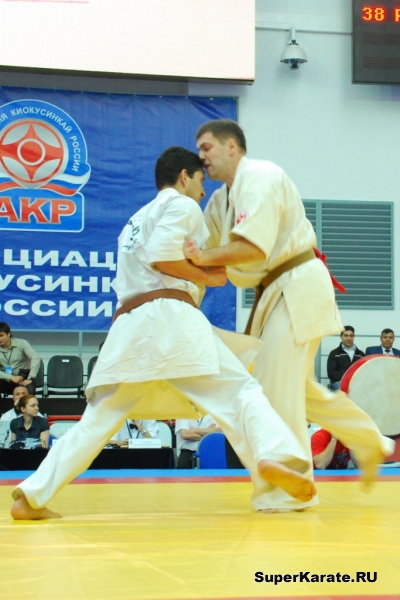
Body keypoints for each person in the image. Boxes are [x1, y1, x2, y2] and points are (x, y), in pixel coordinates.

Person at [11, 146, 316, 520]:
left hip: (130, 327)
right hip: (170, 318)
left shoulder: (134, 221)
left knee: (95, 423)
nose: (202, 191)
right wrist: (207, 276)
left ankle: (32, 496)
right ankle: (276, 457)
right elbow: (163, 256)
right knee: (240, 392)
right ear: (184, 176)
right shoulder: (183, 205)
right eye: (200, 181)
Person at [183, 118, 394, 511]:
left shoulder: (260, 176)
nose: (202, 156)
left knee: (271, 386)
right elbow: (206, 262)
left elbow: (251, 248)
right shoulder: (218, 204)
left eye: (207, 147)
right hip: (271, 295)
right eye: (198, 150)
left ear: (232, 146)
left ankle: (290, 486)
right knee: (296, 388)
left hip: (296, 283)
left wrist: (203, 257)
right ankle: (370, 440)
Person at [0, 323, 41, 396]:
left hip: (23, 378)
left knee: (29, 389)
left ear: (9, 334)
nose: (0, 339)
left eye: (1, 335)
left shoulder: (22, 343)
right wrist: (11, 377)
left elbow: (35, 357)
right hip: (6, 379)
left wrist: (30, 377)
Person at [327, 326, 365, 390]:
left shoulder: (360, 354)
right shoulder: (334, 353)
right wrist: (346, 378)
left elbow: (364, 371)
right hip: (340, 382)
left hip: (357, 383)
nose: (348, 338)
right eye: (346, 335)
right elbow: (331, 372)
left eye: (351, 336)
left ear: (354, 337)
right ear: (341, 337)